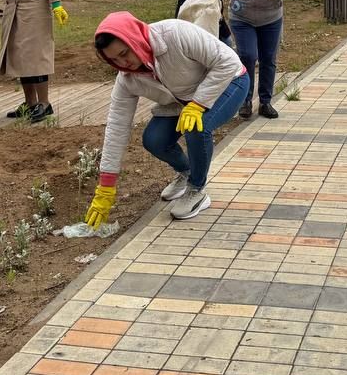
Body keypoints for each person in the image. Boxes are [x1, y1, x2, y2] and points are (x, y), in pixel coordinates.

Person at [83, 12, 249, 224]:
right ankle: (187, 173)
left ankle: (196, 189)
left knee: (197, 127)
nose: (123, 62)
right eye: (113, 60)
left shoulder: (174, 33)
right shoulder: (126, 79)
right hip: (184, 101)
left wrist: (198, 104)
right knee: (154, 140)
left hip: (230, 81)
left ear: (135, 39)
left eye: (124, 53)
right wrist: (106, 186)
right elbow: (117, 127)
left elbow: (228, 61)